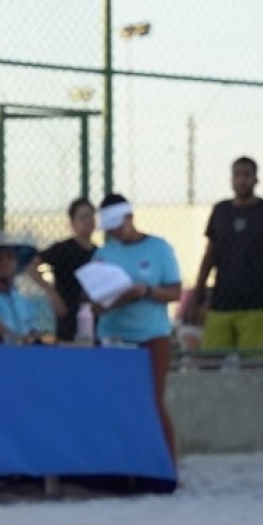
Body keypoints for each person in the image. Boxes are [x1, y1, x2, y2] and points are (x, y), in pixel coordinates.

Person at [92, 193, 181, 461]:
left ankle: (166, 463)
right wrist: (119, 298)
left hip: (152, 335)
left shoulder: (159, 248)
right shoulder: (104, 255)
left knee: (152, 401)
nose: (116, 232)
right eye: (111, 228)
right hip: (114, 335)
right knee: (115, 403)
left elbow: (175, 291)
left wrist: (145, 291)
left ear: (130, 217)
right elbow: (96, 305)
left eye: (119, 225)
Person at [189, 156, 263, 354]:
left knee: (251, 369)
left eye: (246, 175)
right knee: (209, 364)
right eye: (237, 175)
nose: (241, 180)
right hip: (220, 304)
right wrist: (195, 298)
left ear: (256, 179)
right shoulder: (221, 210)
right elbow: (209, 257)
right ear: (231, 179)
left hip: (255, 306)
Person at [29, 198, 98, 341]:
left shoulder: (99, 253)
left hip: (93, 316)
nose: (88, 220)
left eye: (91, 216)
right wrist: (51, 293)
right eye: (82, 216)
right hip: (67, 315)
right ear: (72, 223)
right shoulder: (63, 249)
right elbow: (31, 265)